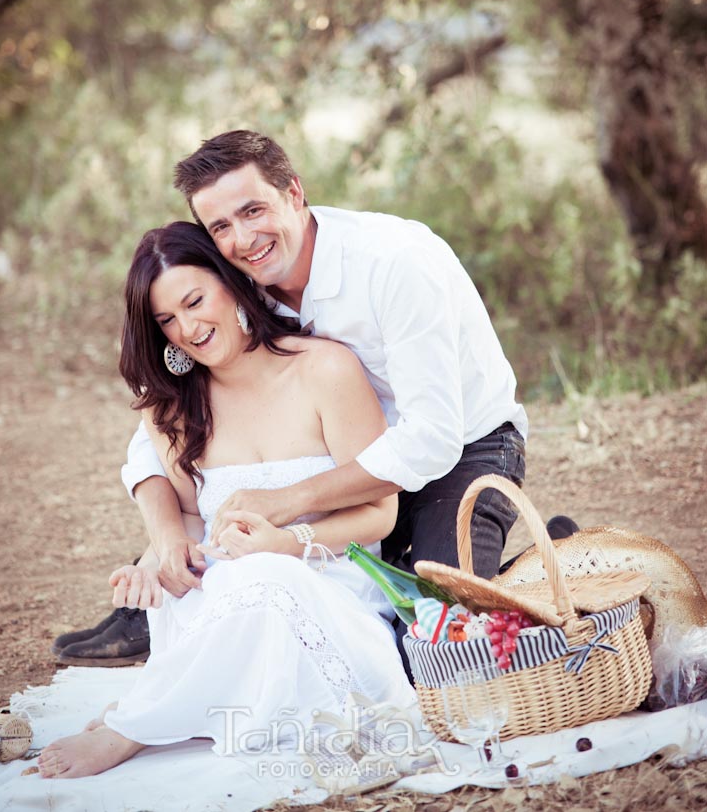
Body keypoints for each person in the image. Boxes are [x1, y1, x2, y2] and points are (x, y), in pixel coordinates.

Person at [56, 129, 576, 663]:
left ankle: (534, 570)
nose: (243, 237)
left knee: (434, 646)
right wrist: (167, 542)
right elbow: (159, 436)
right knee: (317, 616)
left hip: (464, 450)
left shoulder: (397, 263)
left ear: (295, 193)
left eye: (253, 210)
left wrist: (289, 500)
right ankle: (167, 606)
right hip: (352, 458)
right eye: (221, 227)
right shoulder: (236, 282)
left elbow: (432, 441)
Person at [38, 221, 414, 778]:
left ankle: (135, 726)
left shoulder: (324, 369)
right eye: (167, 320)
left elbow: (381, 511)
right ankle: (171, 705)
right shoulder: (169, 405)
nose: (188, 328)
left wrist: (288, 542)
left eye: (195, 301)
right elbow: (190, 517)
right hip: (226, 589)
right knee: (227, 583)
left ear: (232, 283)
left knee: (266, 576)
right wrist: (157, 561)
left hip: (330, 587)